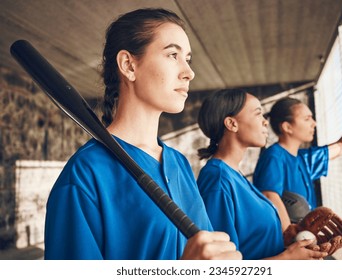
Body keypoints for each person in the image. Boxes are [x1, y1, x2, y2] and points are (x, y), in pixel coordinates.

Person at [44, 8, 242, 260]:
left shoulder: (178, 162)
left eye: (188, 59)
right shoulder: (85, 175)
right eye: (173, 55)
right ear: (129, 65)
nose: (189, 72)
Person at [196, 89, 328, 260]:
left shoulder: (234, 174)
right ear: (232, 124)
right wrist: (287, 259)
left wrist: (292, 240)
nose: (265, 122)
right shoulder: (218, 180)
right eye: (258, 114)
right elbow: (221, 269)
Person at [253, 80, 342, 231]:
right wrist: (292, 237)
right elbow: (269, 195)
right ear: (287, 127)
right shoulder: (274, 156)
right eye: (307, 119)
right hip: (288, 245)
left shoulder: (303, 158)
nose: (314, 123)